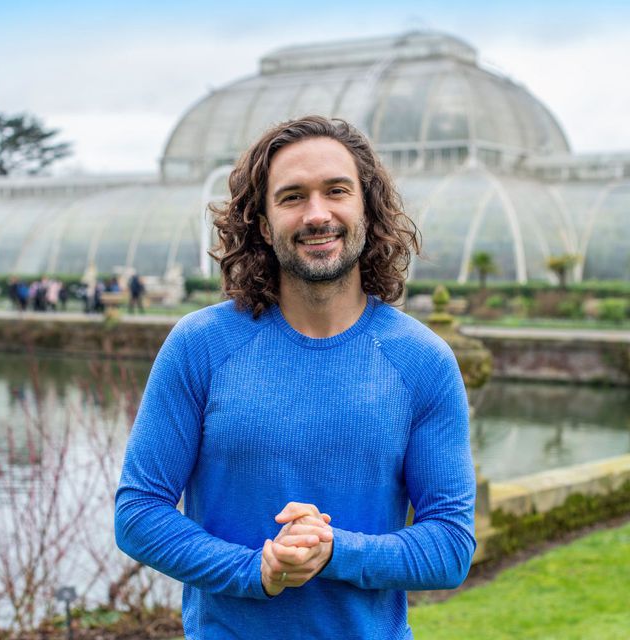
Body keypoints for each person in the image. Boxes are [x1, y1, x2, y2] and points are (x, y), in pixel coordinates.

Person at [115, 116, 476, 639]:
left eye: (336, 191)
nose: (317, 214)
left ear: (368, 210)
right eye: (291, 197)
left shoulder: (423, 360)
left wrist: (332, 551)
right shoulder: (199, 346)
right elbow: (138, 512)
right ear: (262, 224)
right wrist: (256, 571)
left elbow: (450, 547)